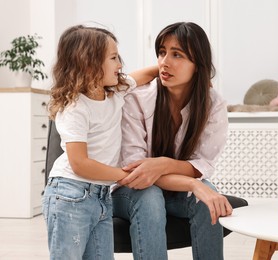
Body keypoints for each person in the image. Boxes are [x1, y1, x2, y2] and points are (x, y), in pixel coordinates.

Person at [112, 22, 233, 260]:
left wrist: (163, 164)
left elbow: (202, 164)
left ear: (197, 64)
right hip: (127, 190)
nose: (164, 62)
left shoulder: (213, 104)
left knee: (206, 197)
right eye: (161, 52)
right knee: (150, 197)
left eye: (177, 54)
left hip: (172, 189)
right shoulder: (137, 98)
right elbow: (137, 172)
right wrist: (193, 184)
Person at [42, 24, 157, 260]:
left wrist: (171, 67)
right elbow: (80, 164)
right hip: (70, 195)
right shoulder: (75, 107)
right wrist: (124, 175)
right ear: (89, 63)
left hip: (101, 195)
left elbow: (145, 74)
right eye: (114, 58)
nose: (120, 64)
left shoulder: (116, 91)